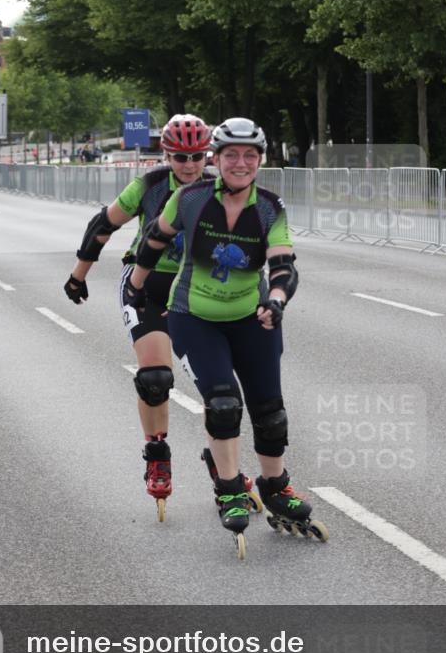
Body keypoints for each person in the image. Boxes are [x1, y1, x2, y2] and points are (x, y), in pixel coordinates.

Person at [124, 117, 329, 558]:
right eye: (231, 155)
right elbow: (154, 239)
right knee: (222, 404)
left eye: (249, 155)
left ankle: (276, 487)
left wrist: (276, 300)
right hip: (193, 316)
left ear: (260, 160)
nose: (240, 163)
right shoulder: (191, 198)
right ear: (216, 160)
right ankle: (232, 486)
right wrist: (137, 287)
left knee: (270, 412)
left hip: (252, 315)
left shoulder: (271, 208)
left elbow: (283, 265)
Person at [64, 114, 213, 520]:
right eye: (181, 156)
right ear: (166, 154)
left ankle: (225, 468)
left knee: (218, 392)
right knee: (156, 379)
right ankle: (157, 452)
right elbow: (103, 223)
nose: (189, 164)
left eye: (197, 156)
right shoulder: (149, 185)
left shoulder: (217, 188)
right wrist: (79, 277)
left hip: (194, 291)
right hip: (145, 284)